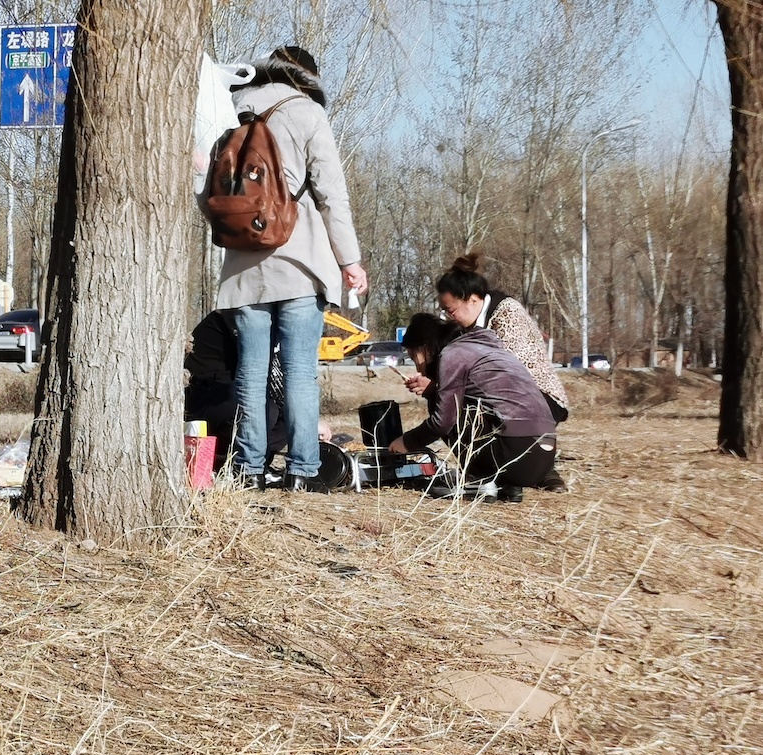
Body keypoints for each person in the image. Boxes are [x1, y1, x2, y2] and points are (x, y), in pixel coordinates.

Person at [209, 45, 368, 493]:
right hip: (300, 259)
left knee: (251, 370)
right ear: (309, 78)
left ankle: (250, 468)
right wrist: (349, 261)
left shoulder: (232, 106)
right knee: (299, 370)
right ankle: (302, 471)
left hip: (243, 264)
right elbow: (332, 197)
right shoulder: (307, 113)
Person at [405, 252, 570, 492]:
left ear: (472, 300)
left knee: (449, 407)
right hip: (513, 402)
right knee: (450, 400)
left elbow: (510, 375)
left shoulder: (507, 313)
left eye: (450, 311)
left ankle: (502, 470)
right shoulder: (468, 328)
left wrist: (438, 389)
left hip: (541, 396)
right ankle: (515, 467)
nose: (448, 317)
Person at [389, 313, 556, 502]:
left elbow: (442, 423)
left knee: (444, 405)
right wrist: (434, 388)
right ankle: (507, 484)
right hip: (542, 458)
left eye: (414, 357)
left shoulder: (452, 354)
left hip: (512, 452)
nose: (418, 368)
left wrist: (407, 442)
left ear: (425, 347)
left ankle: (477, 480)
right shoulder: (491, 352)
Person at [184, 310, 286, 473]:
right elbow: (262, 371)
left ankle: (256, 462)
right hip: (204, 398)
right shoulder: (234, 317)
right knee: (266, 411)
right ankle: (224, 461)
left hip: (228, 396)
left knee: (284, 415)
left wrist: (305, 421)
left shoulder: (269, 322)